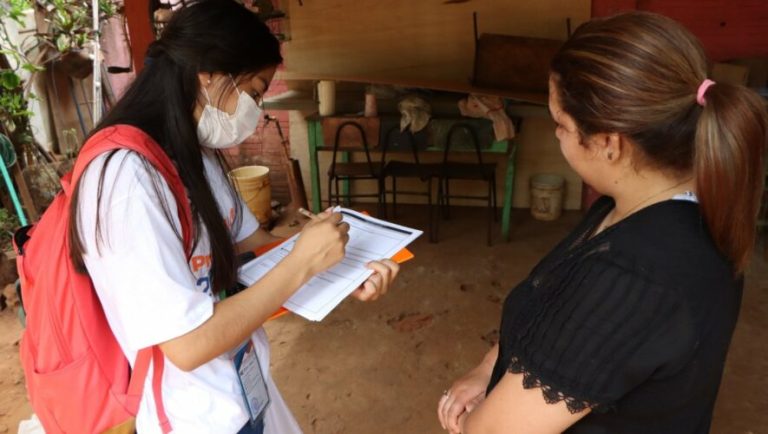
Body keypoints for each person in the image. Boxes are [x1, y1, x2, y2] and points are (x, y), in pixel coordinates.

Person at [69, 1, 399, 433]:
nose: (257, 109)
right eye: (256, 92)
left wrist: (342, 270)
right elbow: (188, 345)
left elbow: (255, 248)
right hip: (193, 417)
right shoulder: (126, 182)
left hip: (241, 385)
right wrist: (303, 262)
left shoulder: (196, 155)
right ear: (210, 74)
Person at [438, 11, 767, 434]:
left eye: (561, 124)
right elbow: (554, 317)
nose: (557, 136)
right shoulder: (656, 202)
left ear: (610, 144)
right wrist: (489, 368)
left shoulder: (631, 278)